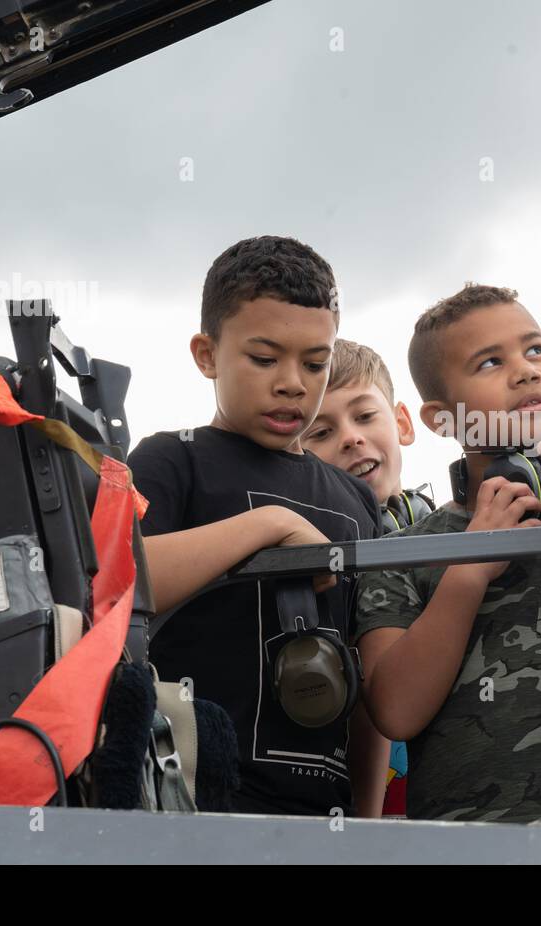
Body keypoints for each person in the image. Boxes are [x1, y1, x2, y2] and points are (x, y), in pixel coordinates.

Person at [352, 283, 541, 823]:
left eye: (534, 349)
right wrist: (468, 572)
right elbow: (395, 711)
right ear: (443, 420)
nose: (525, 370)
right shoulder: (402, 552)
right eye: (490, 362)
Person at [126, 236, 389, 818]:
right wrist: (269, 525)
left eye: (315, 363)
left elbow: (367, 680)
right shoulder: (172, 461)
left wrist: (367, 823)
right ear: (206, 355)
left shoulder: (356, 500)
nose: (293, 382)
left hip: (326, 816)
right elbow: (122, 585)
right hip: (191, 800)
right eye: (265, 358)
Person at [302, 338, 426, 816]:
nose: (351, 437)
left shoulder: (458, 532)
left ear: (402, 422)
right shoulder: (314, 559)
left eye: (364, 416)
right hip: (361, 806)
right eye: (321, 431)